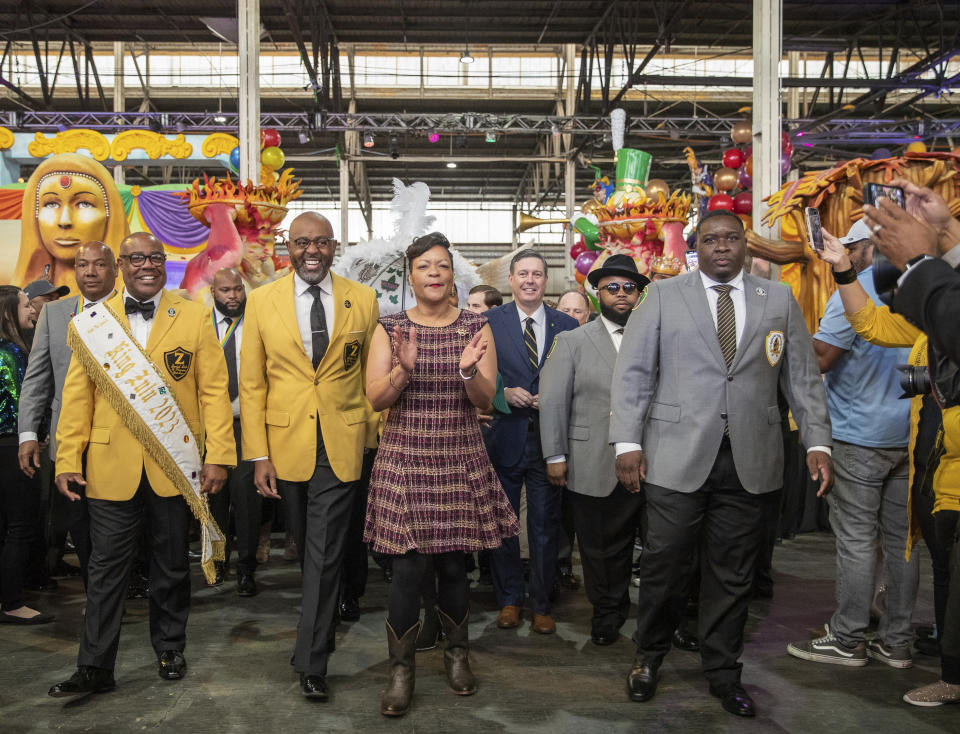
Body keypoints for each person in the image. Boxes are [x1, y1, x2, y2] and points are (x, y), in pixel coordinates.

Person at [611, 209, 834, 718]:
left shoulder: (776, 299)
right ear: (697, 246)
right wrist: (626, 443)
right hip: (674, 457)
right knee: (665, 566)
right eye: (710, 239)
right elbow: (635, 373)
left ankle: (723, 672)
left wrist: (818, 440)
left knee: (733, 574)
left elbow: (800, 376)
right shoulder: (664, 296)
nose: (721, 247)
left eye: (731, 238)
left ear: (745, 244)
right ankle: (648, 657)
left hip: (750, 459)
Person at [48, 232, 235, 698]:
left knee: (171, 565)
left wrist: (220, 456)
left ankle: (170, 647)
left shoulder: (193, 316)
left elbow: (214, 392)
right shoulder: (94, 322)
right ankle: (94, 666)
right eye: (135, 258)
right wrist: (67, 458)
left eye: (154, 257)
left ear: (162, 262)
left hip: (175, 466)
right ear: (121, 266)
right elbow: (76, 399)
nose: (146, 265)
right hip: (109, 468)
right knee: (105, 570)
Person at [363, 232, 518, 717]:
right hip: (406, 457)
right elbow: (376, 399)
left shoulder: (476, 326)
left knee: (455, 566)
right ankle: (401, 670)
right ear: (410, 276)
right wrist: (403, 372)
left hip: (458, 455)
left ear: (453, 275)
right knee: (407, 571)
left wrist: (470, 372)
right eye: (424, 266)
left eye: (442, 266)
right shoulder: (388, 328)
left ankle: (457, 655)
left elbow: (485, 400)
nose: (434, 272)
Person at [239, 211, 379, 701]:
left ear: (334, 246)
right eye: (302, 243)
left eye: (321, 242)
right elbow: (252, 385)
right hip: (282, 446)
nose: (312, 251)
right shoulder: (261, 301)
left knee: (321, 555)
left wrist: (372, 438)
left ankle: (311, 661)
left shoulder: (362, 300)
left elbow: (368, 379)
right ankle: (321, 624)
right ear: (288, 248)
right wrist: (258, 454)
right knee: (305, 550)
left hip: (341, 444)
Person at [787, 220, 916, 668]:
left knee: (857, 540)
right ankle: (897, 642)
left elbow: (823, 358)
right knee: (903, 542)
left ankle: (848, 639)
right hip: (910, 435)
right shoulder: (916, 286)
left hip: (859, 435)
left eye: (850, 246)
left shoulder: (855, 291)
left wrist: (782, 330)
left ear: (862, 248)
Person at [860, 180, 960, 705]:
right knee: (945, 573)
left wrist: (923, 259)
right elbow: (877, 322)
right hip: (935, 463)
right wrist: (943, 232)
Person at [540, 254, 647, 646]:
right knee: (601, 550)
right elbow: (552, 401)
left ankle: (661, 617)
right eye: (612, 287)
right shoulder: (571, 341)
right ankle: (606, 613)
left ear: (639, 293)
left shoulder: (654, 335)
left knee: (665, 547)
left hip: (656, 462)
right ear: (597, 293)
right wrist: (555, 456)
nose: (621, 294)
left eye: (629, 287)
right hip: (592, 461)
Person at [484, 249, 578, 634]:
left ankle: (542, 603)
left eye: (537, 274)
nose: (530, 280)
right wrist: (505, 394)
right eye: (522, 273)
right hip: (504, 436)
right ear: (510, 280)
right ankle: (508, 600)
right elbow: (476, 375)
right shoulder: (489, 322)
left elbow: (576, 381)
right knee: (504, 525)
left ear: (546, 280)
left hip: (548, 440)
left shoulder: (567, 326)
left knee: (544, 526)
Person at [18, 242, 119, 585]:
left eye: (99, 265)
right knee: (80, 523)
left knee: (126, 520)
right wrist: (28, 434)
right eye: (82, 265)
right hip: (69, 441)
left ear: (115, 269)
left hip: (124, 441)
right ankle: (98, 592)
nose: (89, 272)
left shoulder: (131, 310)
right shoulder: (55, 313)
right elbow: (37, 378)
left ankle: (127, 583)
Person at [0, 285, 52, 625]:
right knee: (20, 527)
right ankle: (12, 602)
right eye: (24, 305)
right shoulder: (12, 353)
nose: (32, 310)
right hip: (13, 448)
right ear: (8, 314)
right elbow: (26, 402)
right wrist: (38, 435)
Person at [206, 268, 260, 596]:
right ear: (213, 292)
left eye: (237, 289)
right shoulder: (199, 323)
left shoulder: (255, 322)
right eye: (225, 290)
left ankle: (247, 568)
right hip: (211, 426)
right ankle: (217, 560)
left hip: (247, 425)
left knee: (246, 499)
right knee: (214, 497)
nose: (233, 296)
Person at [13, 153, 129, 294]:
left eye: (84, 204)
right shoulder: (20, 301)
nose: (64, 221)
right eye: (51, 204)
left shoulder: (130, 300)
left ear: (109, 214)